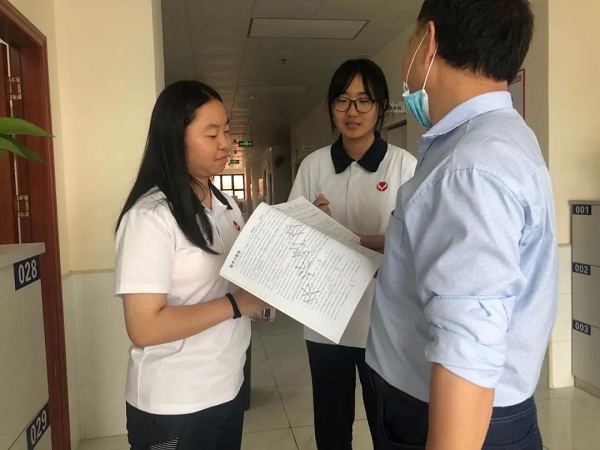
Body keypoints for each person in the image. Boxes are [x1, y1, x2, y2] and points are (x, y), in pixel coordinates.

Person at [366, 1, 557, 449]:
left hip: (449, 419)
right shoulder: (498, 137)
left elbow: (467, 351)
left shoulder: (469, 168)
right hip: (468, 413)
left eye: (411, 38)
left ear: (428, 43)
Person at [114, 80, 269, 450]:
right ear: (174, 138)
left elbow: (234, 280)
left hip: (227, 387)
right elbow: (144, 327)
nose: (225, 143)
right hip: (175, 402)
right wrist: (237, 304)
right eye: (211, 134)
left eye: (227, 131)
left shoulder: (227, 205)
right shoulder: (151, 217)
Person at [288, 59, 417, 449]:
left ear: (381, 107)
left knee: (387, 428)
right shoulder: (313, 166)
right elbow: (291, 240)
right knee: (331, 428)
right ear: (331, 106)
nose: (353, 111)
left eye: (364, 101)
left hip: (384, 324)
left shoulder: (403, 166)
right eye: (342, 100)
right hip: (325, 324)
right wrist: (313, 223)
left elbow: (416, 243)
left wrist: (353, 239)